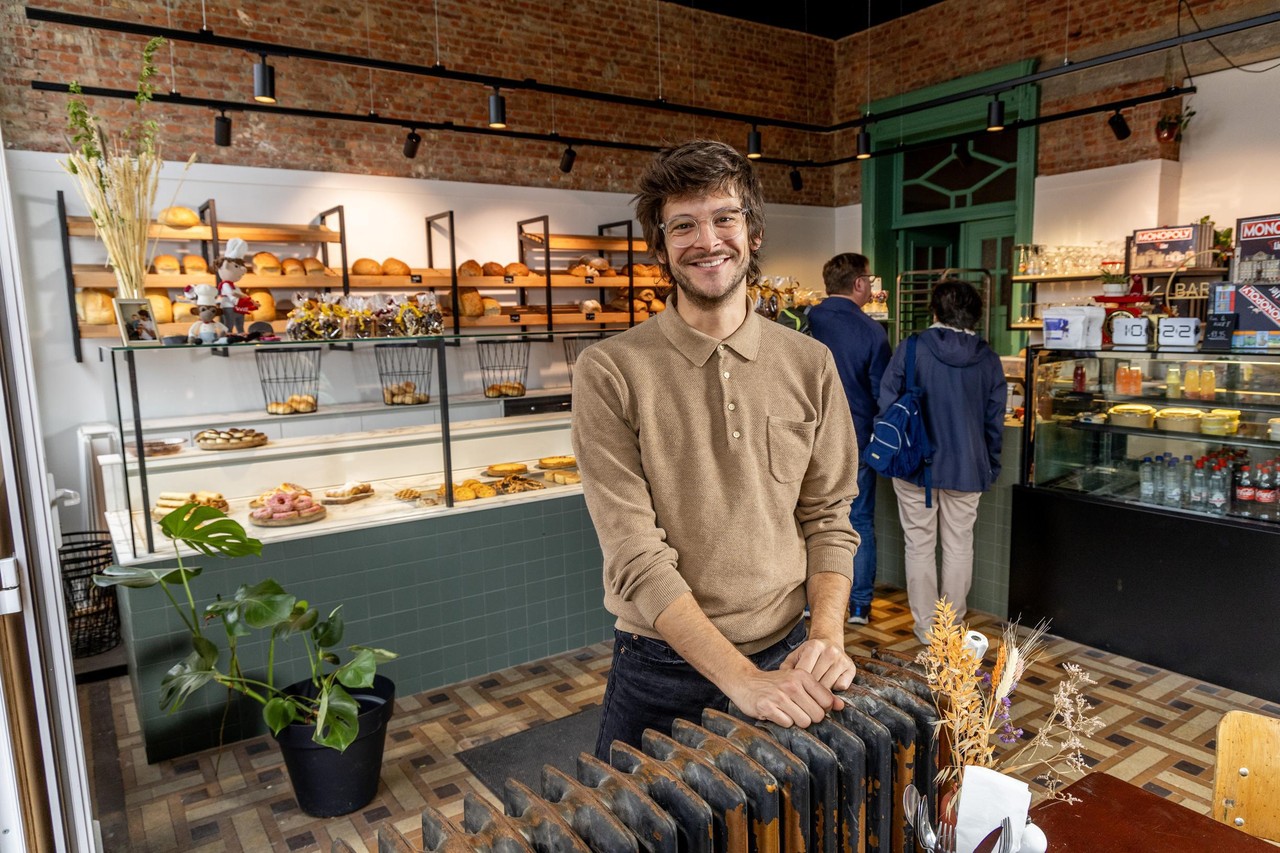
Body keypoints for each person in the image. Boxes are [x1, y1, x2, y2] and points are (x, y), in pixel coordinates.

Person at [572, 139, 860, 759]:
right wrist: (741, 680)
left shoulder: (810, 363)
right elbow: (633, 554)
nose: (707, 240)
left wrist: (829, 633)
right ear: (661, 247)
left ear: (752, 232)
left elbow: (830, 516)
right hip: (660, 667)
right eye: (684, 225)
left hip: (790, 653)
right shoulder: (610, 371)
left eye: (724, 217)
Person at [877, 278, 1006, 645]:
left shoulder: (912, 348)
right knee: (959, 545)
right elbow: (993, 422)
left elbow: (887, 403)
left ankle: (926, 631)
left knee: (918, 544)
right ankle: (952, 629)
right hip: (968, 468)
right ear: (976, 316)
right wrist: (990, 464)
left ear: (934, 311)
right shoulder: (989, 358)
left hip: (915, 466)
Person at [807, 253, 891, 625]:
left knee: (805, 518)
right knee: (858, 519)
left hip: (802, 435)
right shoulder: (872, 331)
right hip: (856, 437)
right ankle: (857, 605)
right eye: (870, 280)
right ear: (859, 284)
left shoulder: (803, 320)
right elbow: (881, 394)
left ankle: (811, 602)